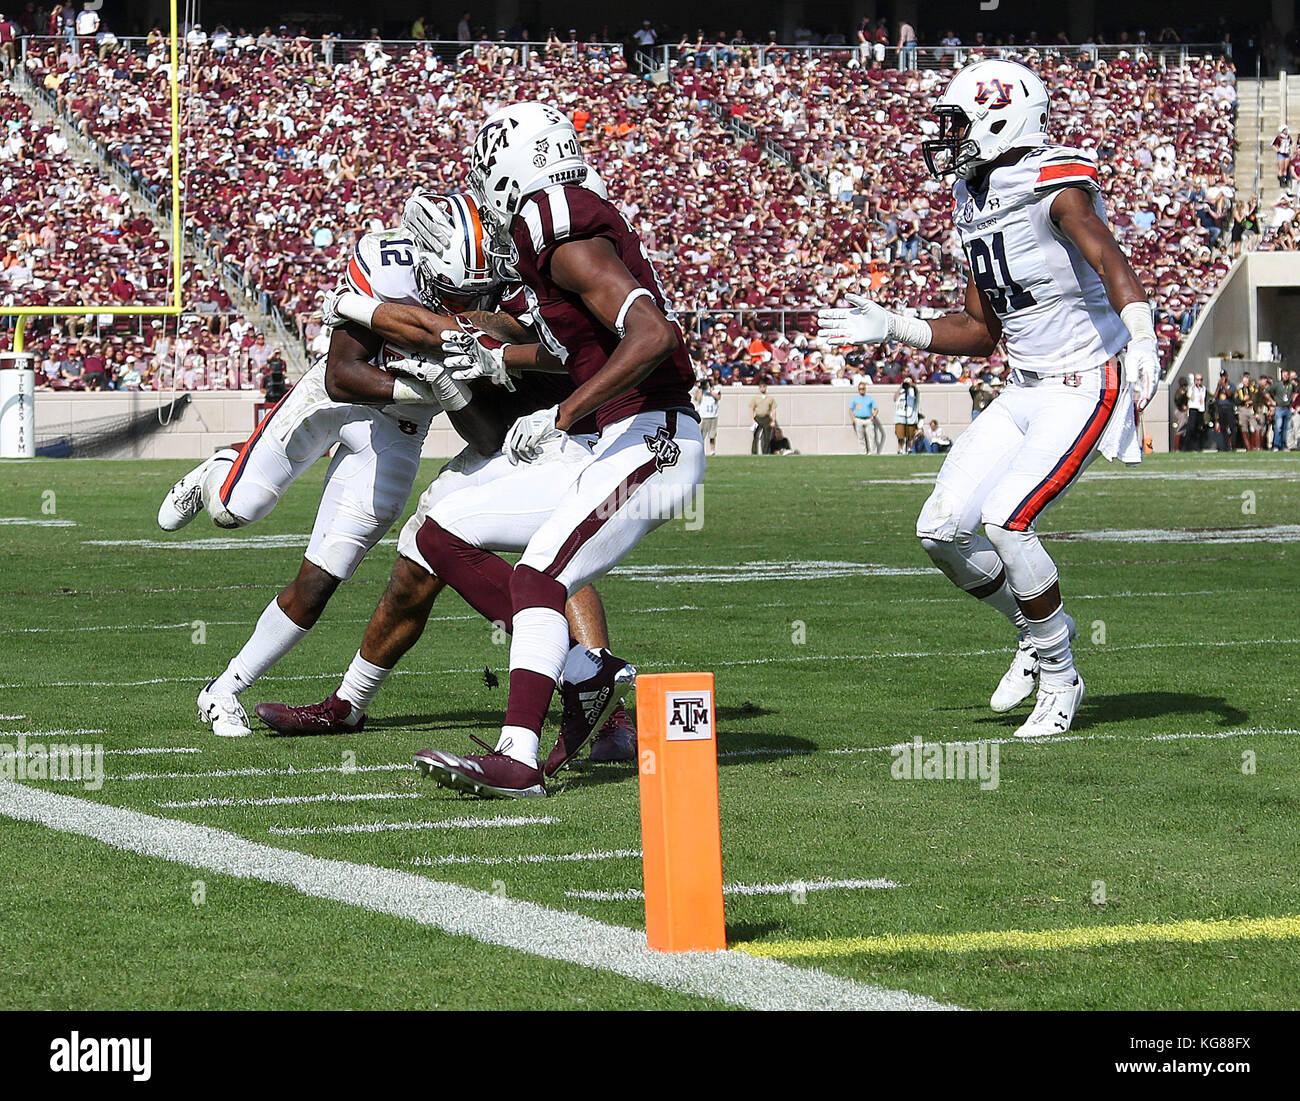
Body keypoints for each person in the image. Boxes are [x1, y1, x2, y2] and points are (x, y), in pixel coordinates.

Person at [819, 59, 1160, 739]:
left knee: (1008, 519)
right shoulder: (971, 197)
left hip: (1084, 379)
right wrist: (895, 325)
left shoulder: (1050, 181)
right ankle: (1035, 634)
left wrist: (1143, 329)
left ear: (1003, 119)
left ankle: (1063, 679)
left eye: (958, 123)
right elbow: (980, 331)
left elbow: (1107, 255)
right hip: (1025, 386)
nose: (946, 138)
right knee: (940, 529)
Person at [410, 104, 704, 798]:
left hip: (654, 437)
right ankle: (585, 675)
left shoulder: (560, 229)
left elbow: (654, 336)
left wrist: (561, 413)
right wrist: (499, 356)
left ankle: (518, 756)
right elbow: (576, 344)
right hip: (610, 438)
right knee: (441, 531)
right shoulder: (552, 235)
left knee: (539, 575)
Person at [155, 196, 490, 738]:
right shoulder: (387, 264)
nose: (465, 302)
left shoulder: (494, 281)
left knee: (322, 579)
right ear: (425, 262)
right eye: (453, 291)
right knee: (238, 508)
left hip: (398, 434)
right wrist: (425, 384)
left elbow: (484, 422)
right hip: (333, 400)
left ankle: (223, 690)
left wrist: (452, 391)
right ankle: (218, 470)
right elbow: (341, 376)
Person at [849, 379, 881, 454]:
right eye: (860, 389)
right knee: (861, 437)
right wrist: (853, 419)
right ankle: (863, 452)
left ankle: (873, 452)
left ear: (865, 389)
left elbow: (876, 409)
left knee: (871, 437)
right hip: (858, 419)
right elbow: (850, 409)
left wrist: (873, 416)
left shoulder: (869, 399)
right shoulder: (855, 399)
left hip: (868, 420)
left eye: (863, 389)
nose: (861, 390)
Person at [694, 374, 720, 455]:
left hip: (713, 415)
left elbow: (718, 397)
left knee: (712, 435)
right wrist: (701, 389)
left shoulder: (715, 390)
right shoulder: (700, 391)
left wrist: (709, 389)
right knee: (701, 435)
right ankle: (701, 451)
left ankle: (712, 450)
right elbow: (697, 399)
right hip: (703, 416)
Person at [749, 378, 777, 454]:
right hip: (758, 417)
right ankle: (754, 452)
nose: (762, 388)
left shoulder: (770, 398)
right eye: (761, 386)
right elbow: (751, 408)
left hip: (767, 418)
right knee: (756, 436)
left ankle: (765, 452)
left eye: (764, 386)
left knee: (767, 437)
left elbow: (773, 409)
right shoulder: (755, 398)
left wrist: (773, 420)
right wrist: (752, 420)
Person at [893, 377, 920, 453]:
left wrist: (913, 386)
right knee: (900, 436)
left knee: (910, 436)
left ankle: (909, 449)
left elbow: (917, 395)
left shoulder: (913, 391)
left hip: (911, 416)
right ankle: (900, 449)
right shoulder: (901, 391)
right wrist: (901, 387)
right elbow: (895, 398)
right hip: (900, 415)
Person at [1187, 372, 1208, 451]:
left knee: (1199, 428)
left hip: (1200, 409)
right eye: (1198, 380)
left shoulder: (1203, 388)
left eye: (1201, 380)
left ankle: (1198, 446)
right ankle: (1188, 446)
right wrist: (1192, 388)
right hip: (1193, 409)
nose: (1199, 382)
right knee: (1191, 428)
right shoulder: (1192, 388)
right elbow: (1190, 397)